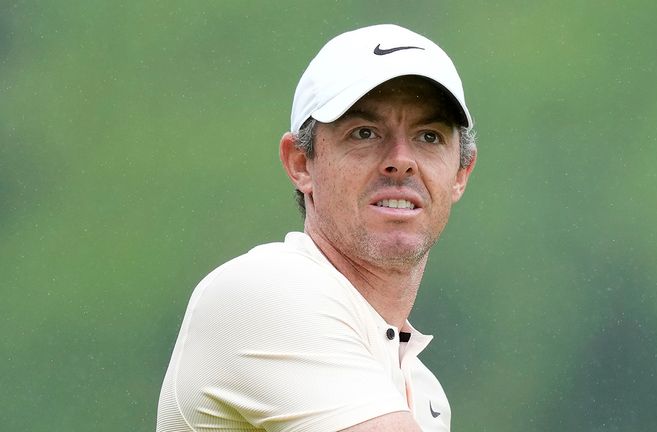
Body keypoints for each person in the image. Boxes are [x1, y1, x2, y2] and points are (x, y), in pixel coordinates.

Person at [157, 24, 476, 432]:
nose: (401, 159)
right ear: (300, 163)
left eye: (428, 136)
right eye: (365, 133)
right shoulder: (264, 293)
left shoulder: (424, 392)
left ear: (461, 173)